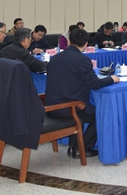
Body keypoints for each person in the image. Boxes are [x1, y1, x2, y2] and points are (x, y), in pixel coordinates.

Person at [45, 29, 119, 159]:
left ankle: (74, 146)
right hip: (69, 108)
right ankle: (82, 147)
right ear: (86, 44)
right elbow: (95, 84)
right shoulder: (82, 60)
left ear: (69, 41)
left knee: (83, 107)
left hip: (51, 106)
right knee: (101, 114)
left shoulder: (55, 58)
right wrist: (112, 79)